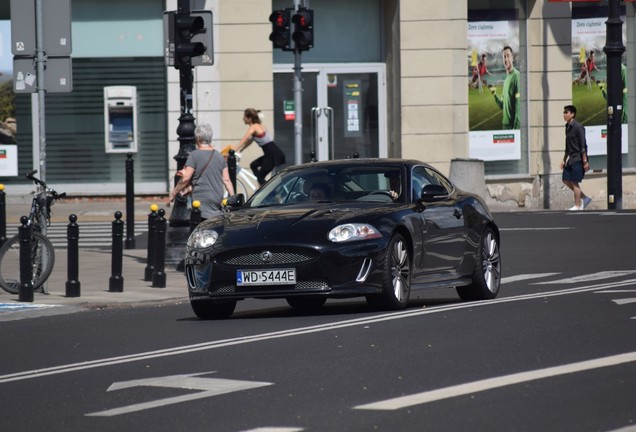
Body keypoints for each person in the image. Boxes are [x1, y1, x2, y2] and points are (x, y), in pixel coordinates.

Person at [168, 123, 235, 219]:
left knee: (200, 226)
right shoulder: (219, 156)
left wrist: (174, 193)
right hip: (217, 198)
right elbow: (227, 180)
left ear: (198, 137)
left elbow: (186, 178)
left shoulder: (194, 155)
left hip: (201, 198)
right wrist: (232, 197)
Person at [235, 108, 286, 186]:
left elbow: (244, 139)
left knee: (260, 178)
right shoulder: (259, 126)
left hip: (272, 154)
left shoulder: (254, 127)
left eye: (244, 117)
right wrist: (240, 150)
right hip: (271, 153)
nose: (243, 119)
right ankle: (261, 185)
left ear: (249, 118)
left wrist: (234, 149)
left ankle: (273, 194)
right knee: (253, 165)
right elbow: (250, 141)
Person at [561, 105, 591, 211]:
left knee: (574, 181)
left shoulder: (578, 127)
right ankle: (584, 198)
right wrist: (564, 159)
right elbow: (567, 145)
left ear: (572, 114)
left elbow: (583, 145)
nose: (564, 114)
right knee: (565, 179)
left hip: (578, 157)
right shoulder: (567, 127)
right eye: (564, 112)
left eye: (567, 112)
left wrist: (585, 161)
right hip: (571, 158)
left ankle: (577, 205)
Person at [491, 46, 521, 130]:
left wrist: (516, 128)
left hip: (513, 126)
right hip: (505, 125)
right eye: (504, 56)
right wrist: (494, 94)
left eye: (508, 56)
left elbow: (519, 104)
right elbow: (502, 105)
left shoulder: (517, 76)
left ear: (512, 58)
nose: (506, 59)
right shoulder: (506, 80)